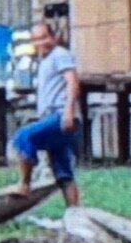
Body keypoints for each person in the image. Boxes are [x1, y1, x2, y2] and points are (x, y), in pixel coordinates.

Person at [11, 23, 81, 206]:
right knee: (63, 172)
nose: (41, 43)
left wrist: (68, 111)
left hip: (60, 114)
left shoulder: (60, 54)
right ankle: (74, 211)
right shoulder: (44, 61)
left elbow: (72, 82)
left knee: (23, 137)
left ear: (54, 37)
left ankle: (25, 184)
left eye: (44, 38)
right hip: (52, 116)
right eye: (36, 40)